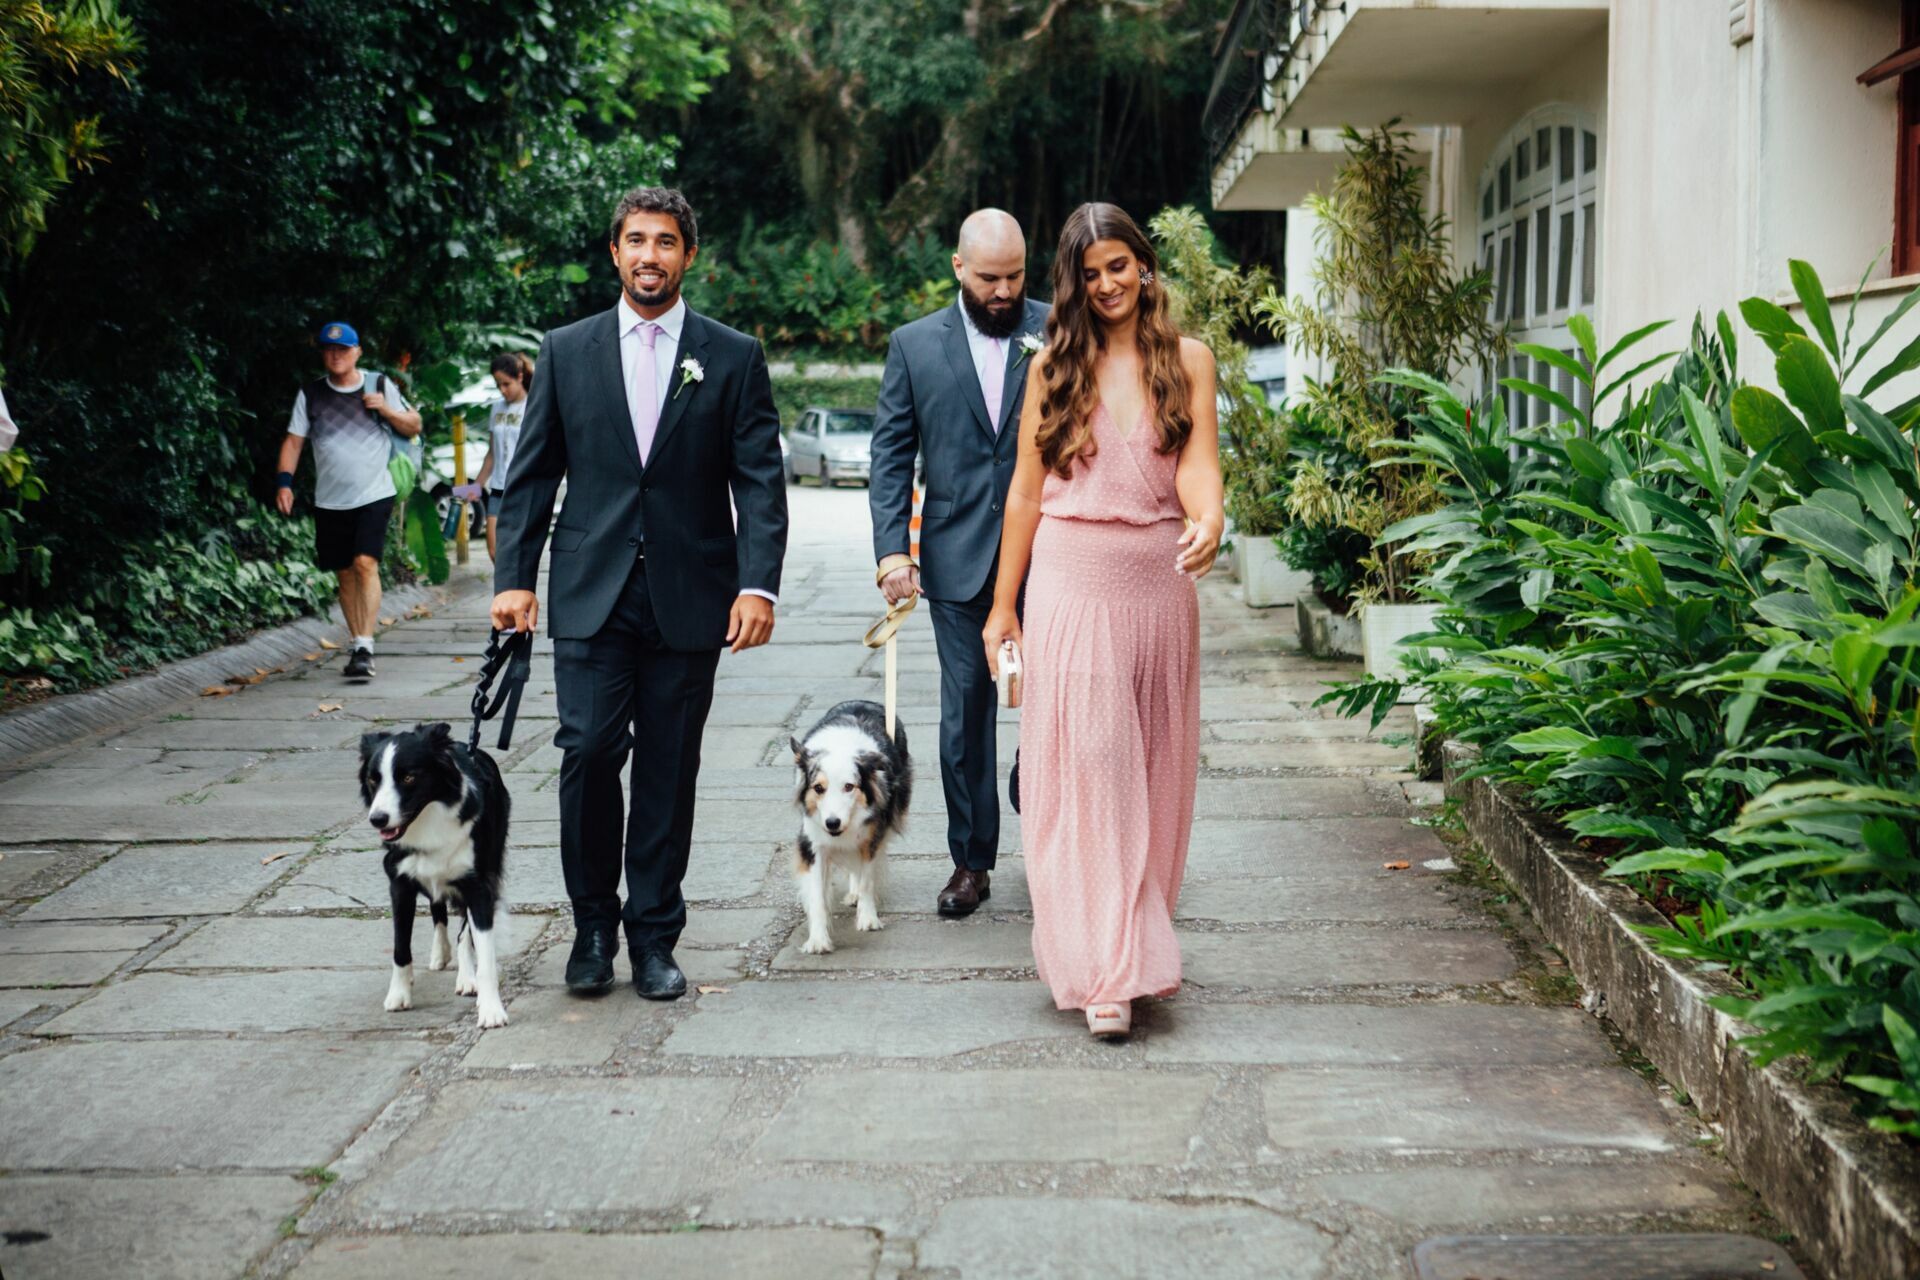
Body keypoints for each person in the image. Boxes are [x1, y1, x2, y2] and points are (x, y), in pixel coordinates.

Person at [490, 187, 787, 1002]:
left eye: (665, 242)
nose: (649, 255)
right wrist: (514, 577)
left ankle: (654, 934)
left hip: (692, 597)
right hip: (591, 591)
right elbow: (532, 475)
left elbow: (760, 484)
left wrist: (757, 585)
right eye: (635, 241)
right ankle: (592, 926)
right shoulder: (566, 350)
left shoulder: (731, 355)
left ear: (689, 255)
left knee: (668, 767)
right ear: (614, 253)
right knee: (586, 752)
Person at [982, 202, 1223, 1040]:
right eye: (1090, 274)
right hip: (1072, 586)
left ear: (1144, 266)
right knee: (1090, 774)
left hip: (1159, 588)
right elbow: (1023, 492)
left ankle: (1133, 938)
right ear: (1073, 285)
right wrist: (1003, 606)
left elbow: (1198, 466)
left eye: (1119, 265)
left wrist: (1210, 519)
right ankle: (1106, 973)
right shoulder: (1052, 366)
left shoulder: (1189, 360)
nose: (1108, 283)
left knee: (1153, 779)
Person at [869, 209, 1049, 918]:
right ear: (957, 268)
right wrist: (892, 550)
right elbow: (890, 455)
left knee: (1059, 704)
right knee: (963, 718)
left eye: (1015, 277)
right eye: (989, 278)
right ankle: (971, 862)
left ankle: (1050, 819)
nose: (1004, 292)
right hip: (958, 560)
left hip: (1054, 552)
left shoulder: (1063, 327)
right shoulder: (915, 346)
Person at [276, 322, 424, 679]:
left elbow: (414, 424)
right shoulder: (311, 394)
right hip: (330, 500)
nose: (336, 355)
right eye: (329, 349)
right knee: (344, 572)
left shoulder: (378, 385)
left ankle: (365, 646)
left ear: (357, 352)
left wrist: (385, 410)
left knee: (364, 563)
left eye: (343, 350)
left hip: (375, 492)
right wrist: (285, 483)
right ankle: (358, 640)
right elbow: (294, 441)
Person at [472, 352, 533, 560]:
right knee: (494, 551)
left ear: (520, 377)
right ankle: (505, 592)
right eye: (498, 385)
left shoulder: (532, 407)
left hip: (522, 487)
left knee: (521, 551)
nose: (502, 390)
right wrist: (476, 486)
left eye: (506, 384)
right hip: (498, 488)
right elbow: (492, 453)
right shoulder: (497, 408)